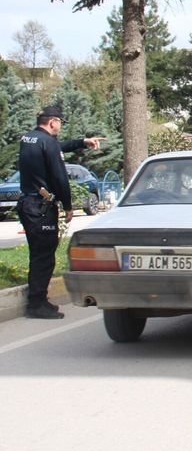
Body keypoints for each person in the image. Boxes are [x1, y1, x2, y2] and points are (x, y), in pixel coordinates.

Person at [17, 106, 105, 319]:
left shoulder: (29, 138)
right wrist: (67, 206)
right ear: (53, 122)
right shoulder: (47, 142)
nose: (60, 127)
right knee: (44, 256)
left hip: (28, 203)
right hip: (42, 207)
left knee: (38, 253)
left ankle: (39, 300)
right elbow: (59, 178)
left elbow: (56, 146)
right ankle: (37, 304)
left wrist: (82, 142)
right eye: (60, 123)